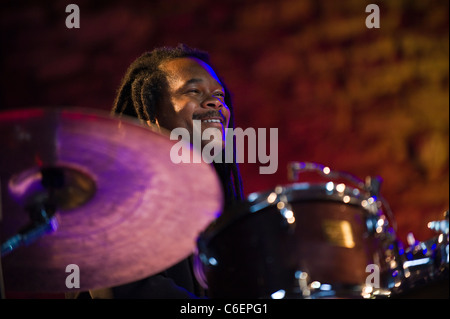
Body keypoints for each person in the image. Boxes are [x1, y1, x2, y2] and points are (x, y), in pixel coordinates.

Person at [68, 44, 244, 299]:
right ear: (150, 117)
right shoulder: (113, 195)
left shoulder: (207, 209)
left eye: (220, 96)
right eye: (194, 91)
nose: (215, 103)